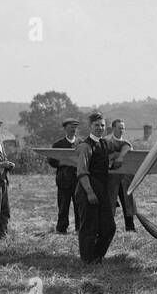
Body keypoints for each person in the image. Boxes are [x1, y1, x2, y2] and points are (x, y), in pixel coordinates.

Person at [73, 112, 131, 263]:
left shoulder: (105, 143)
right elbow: (82, 173)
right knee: (88, 228)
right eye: (97, 125)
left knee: (109, 227)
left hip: (102, 190)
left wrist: (120, 156)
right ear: (90, 126)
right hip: (87, 190)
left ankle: (97, 256)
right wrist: (90, 193)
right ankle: (88, 260)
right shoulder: (85, 146)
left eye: (103, 125)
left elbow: (126, 144)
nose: (100, 128)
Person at [47, 117, 81, 234]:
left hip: (78, 180)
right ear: (65, 128)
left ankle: (79, 228)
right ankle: (61, 229)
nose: (73, 129)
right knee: (63, 206)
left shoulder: (81, 143)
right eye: (71, 127)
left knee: (79, 206)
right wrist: (62, 163)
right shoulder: (58, 144)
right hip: (63, 180)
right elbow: (51, 160)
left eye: (75, 127)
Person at [106, 119, 136, 232]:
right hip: (111, 179)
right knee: (110, 203)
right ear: (113, 128)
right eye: (119, 128)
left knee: (127, 202)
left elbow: (131, 159)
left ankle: (130, 227)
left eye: (123, 128)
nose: (122, 130)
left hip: (124, 179)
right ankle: (109, 227)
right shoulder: (106, 142)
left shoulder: (128, 144)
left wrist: (120, 155)